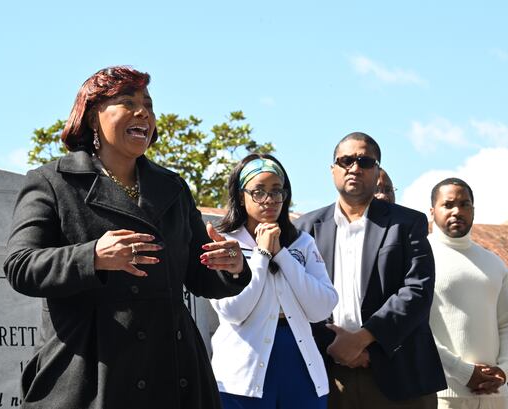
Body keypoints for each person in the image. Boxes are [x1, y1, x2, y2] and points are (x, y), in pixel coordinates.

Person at [3, 66, 251, 409]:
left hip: (174, 371)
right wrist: (92, 257)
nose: (143, 112)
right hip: (93, 374)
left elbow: (200, 275)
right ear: (93, 116)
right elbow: (21, 265)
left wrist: (231, 266)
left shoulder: (173, 187)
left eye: (148, 104)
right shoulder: (52, 182)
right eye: (127, 101)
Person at [294, 132, 447, 409]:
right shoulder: (304, 229)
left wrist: (364, 340)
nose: (355, 167)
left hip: (399, 376)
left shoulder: (407, 223)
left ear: (377, 172)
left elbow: (417, 291)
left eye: (364, 161)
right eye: (346, 160)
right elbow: (296, 295)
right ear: (333, 170)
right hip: (328, 373)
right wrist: (338, 345)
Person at [210, 153, 338, 409]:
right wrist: (262, 254)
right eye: (258, 191)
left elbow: (322, 308)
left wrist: (282, 255)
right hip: (241, 373)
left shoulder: (303, 242)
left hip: (300, 364)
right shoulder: (224, 242)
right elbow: (233, 311)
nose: (269, 199)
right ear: (240, 195)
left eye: (276, 191)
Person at [428, 177, 508, 409]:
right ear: (432, 211)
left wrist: (502, 372)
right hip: (443, 396)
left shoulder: (494, 263)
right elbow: (416, 329)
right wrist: (463, 373)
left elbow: (505, 324)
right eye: (449, 204)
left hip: (497, 396)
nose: (457, 211)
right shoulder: (419, 259)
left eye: (465, 204)